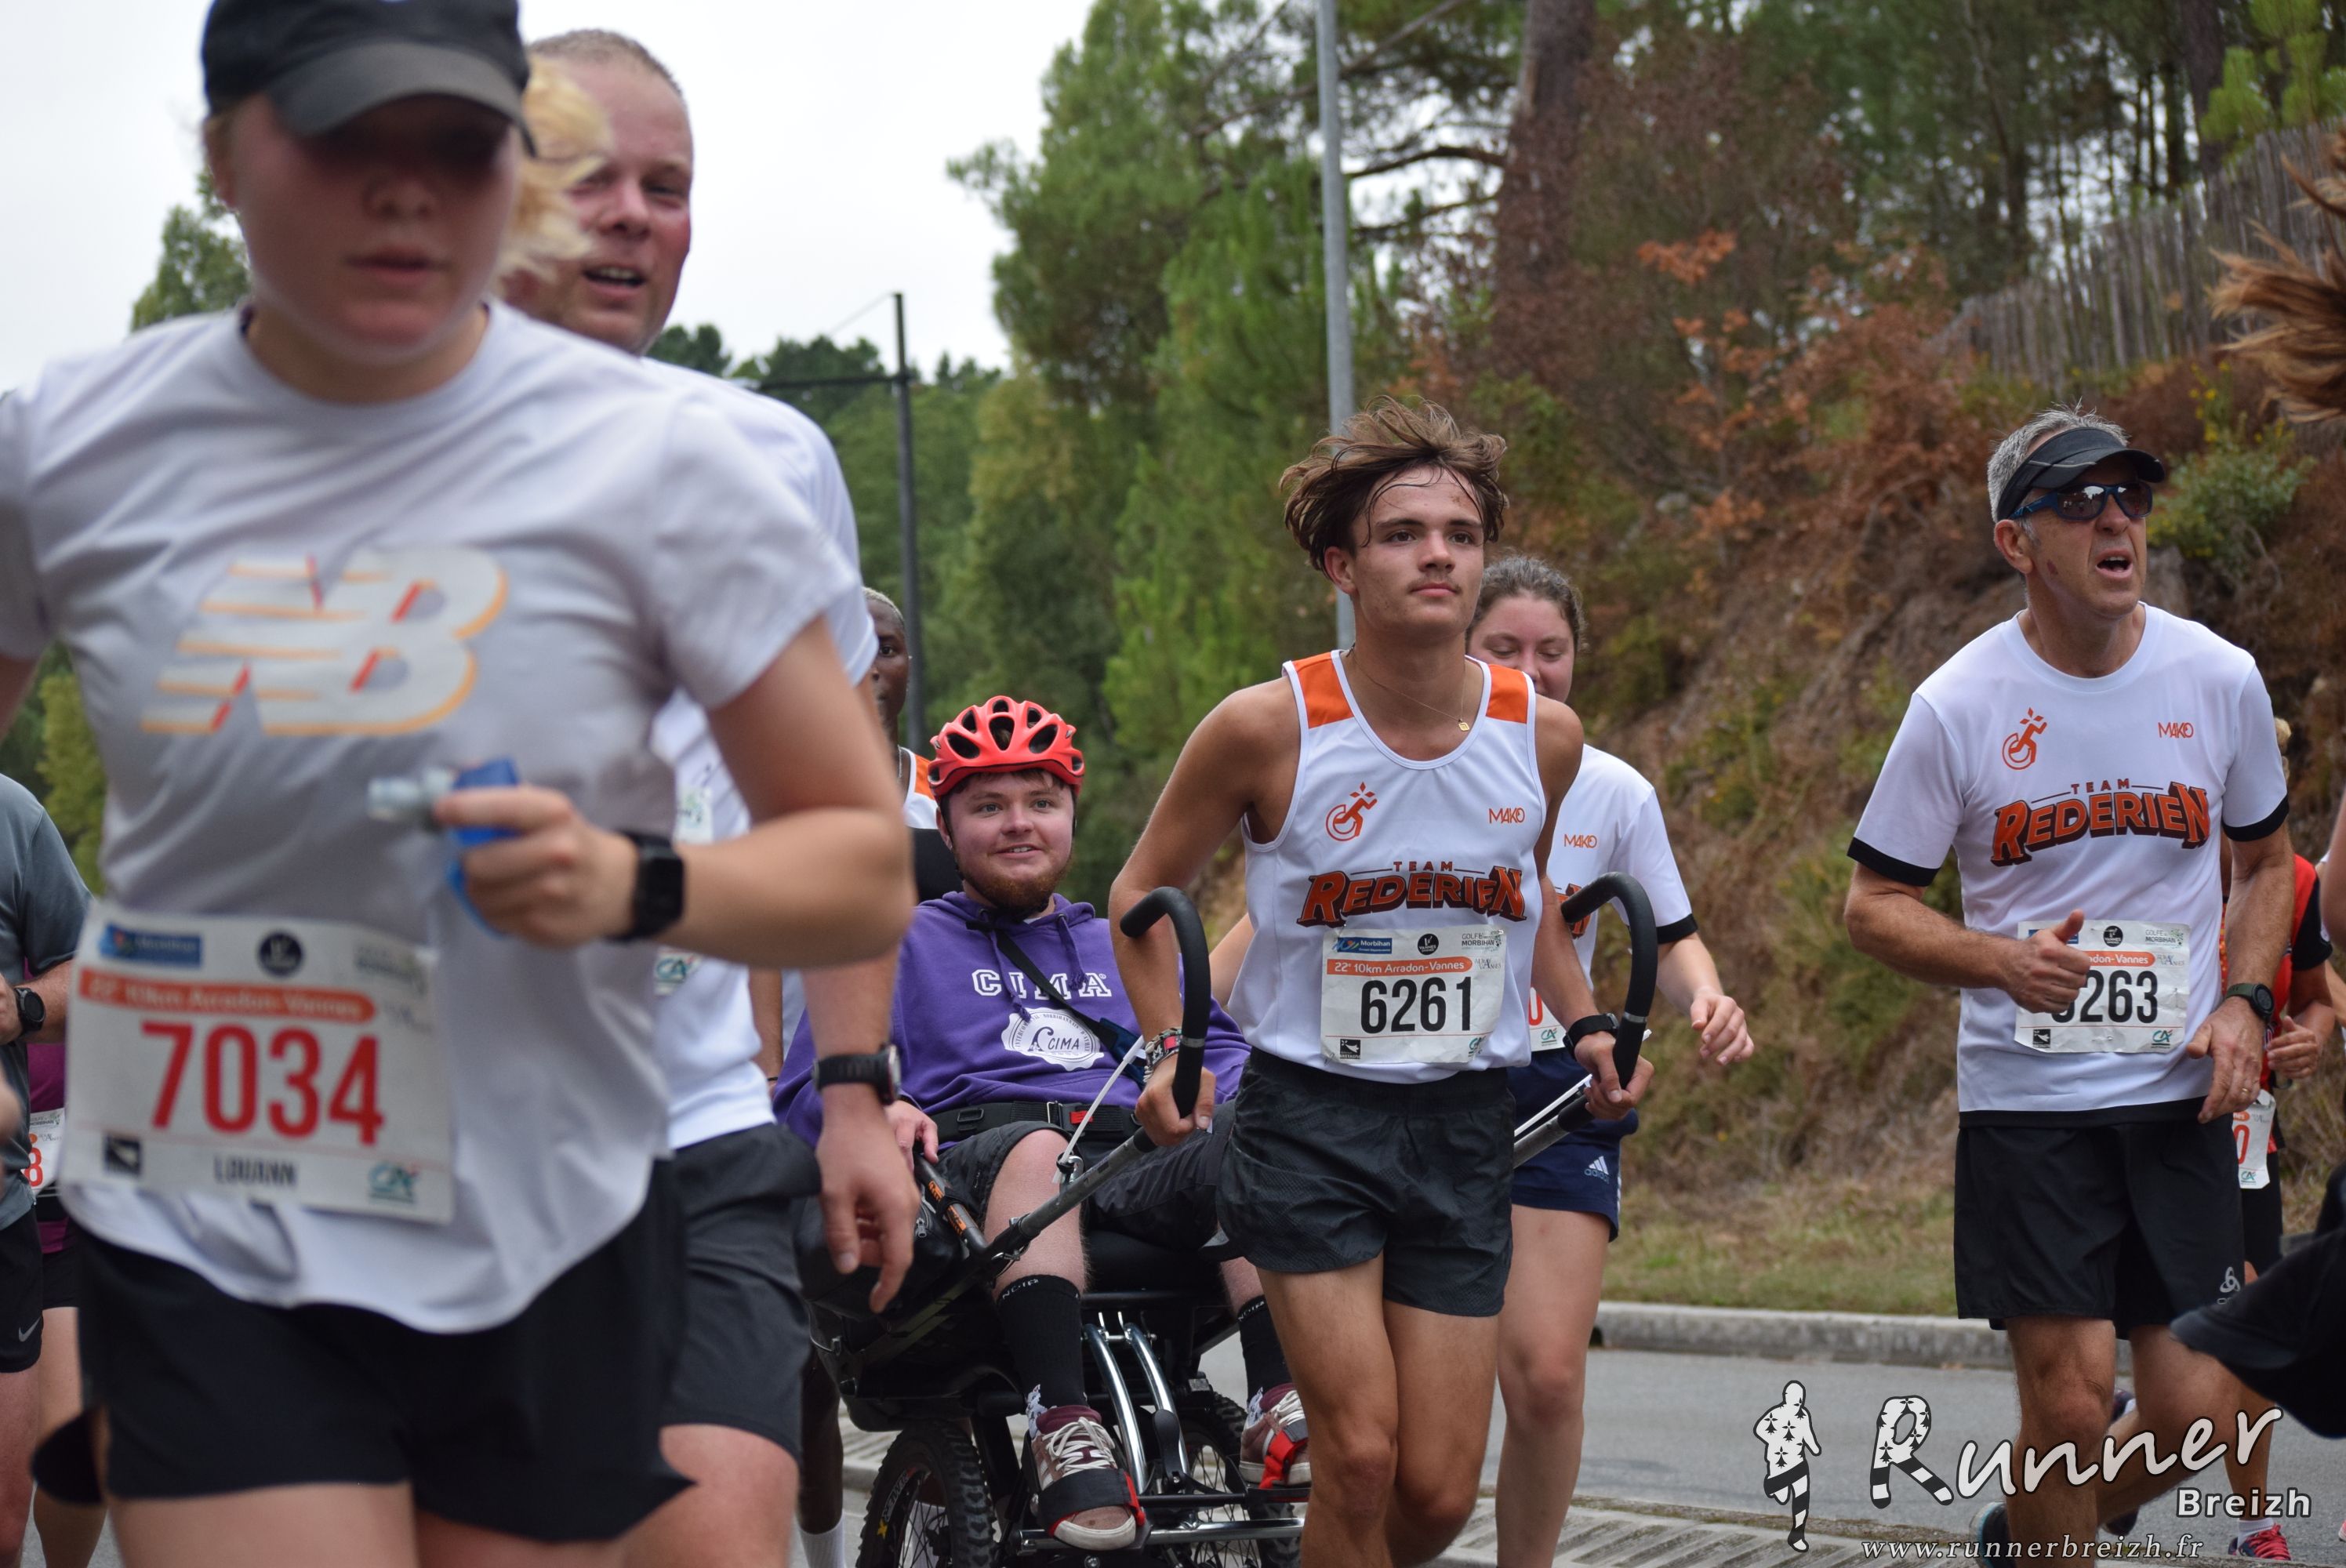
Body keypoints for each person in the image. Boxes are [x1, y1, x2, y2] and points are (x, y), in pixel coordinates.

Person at [0, 5, 921, 1565]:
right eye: (342, 138)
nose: (404, 189)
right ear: (224, 153)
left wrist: (633, 884)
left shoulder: (674, 462)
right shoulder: (74, 445)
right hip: (213, 1205)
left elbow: (859, 860)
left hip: (547, 1214)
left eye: (456, 143)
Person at [1109, 398, 1646, 1568]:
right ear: (1343, 566)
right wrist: (1170, 1052)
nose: (1438, 555)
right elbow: (1140, 898)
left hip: (1463, 1125)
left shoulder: (1543, 734)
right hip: (1310, 1122)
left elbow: (1528, 904)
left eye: (1461, 534)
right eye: (1403, 534)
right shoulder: (1265, 727)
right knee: (1355, 1456)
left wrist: (1587, 1024)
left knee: (1437, 1493)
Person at [501, 29, 896, 1568]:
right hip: (437, 1161)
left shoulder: (769, 457)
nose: (631, 216)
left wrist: (851, 1093)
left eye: (666, 187)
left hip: (693, 1134)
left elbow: (844, 815)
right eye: (585, 177)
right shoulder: (345, 453)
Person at [1843, 405, 2293, 1557]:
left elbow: (2263, 866)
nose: (2114, 521)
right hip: (2031, 1109)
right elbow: (1873, 905)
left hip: (2179, 1098)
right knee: (2071, 1403)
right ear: (2016, 542)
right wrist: (2002, 960)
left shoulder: (2219, 678)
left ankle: (2028, 1531)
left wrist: (2245, 1003)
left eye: (2129, 497)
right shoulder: (1958, 705)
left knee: (2199, 1410)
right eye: (2079, 501)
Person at [777, 695, 1306, 1551]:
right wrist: (880, 1104)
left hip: (1132, 1161)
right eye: (989, 806)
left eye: (1041, 802)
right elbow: (806, 1090)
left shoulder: (1124, 942)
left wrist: (1217, 1092)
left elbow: (1225, 1059)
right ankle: (1062, 1424)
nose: (1019, 823)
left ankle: (1277, 1399)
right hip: (980, 1171)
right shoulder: (897, 942)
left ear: (1070, 817)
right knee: (1038, 1148)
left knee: (1264, 1126)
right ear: (945, 830)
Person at [1467, 556, 1757, 1568]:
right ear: (1464, 650)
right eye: (1504, 647)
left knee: (1546, 1377)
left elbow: (1670, 936)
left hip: (1559, 1080)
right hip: (1430, 1080)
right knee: (1425, 1407)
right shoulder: (1412, 766)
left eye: (1551, 650)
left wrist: (1706, 997)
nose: (1531, 669)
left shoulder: (1615, 790)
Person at [0, 779, 85, 1568]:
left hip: (49, 1215)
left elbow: (96, 978)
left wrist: (23, 1009)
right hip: (23, 1199)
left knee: (69, 1447)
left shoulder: (14, 820)